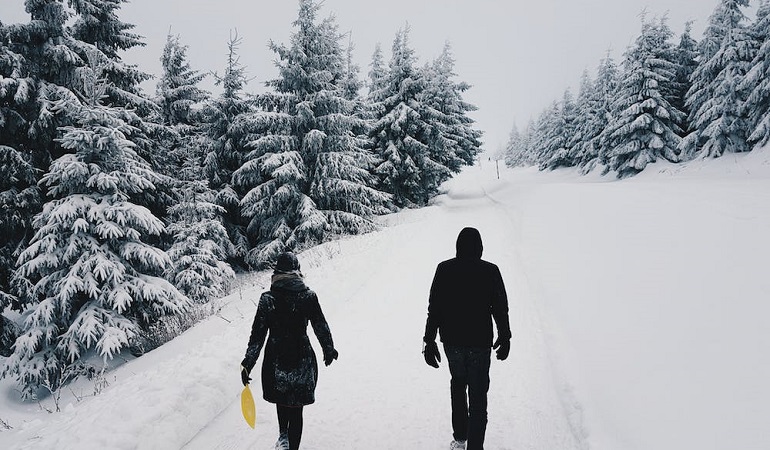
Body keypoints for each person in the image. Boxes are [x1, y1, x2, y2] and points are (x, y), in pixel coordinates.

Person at [423, 227, 511, 450]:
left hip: (452, 343)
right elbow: (500, 308)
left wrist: (429, 340)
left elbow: (434, 308)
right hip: (480, 344)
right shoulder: (490, 271)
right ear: (480, 248)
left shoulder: (444, 269)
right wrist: (505, 335)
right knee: (479, 394)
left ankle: (460, 438)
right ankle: (475, 447)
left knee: (458, 386)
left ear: (458, 247)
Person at [241, 252, 338, 450]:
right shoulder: (308, 296)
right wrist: (328, 349)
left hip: (276, 358)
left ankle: (283, 436)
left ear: (277, 272)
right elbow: (320, 324)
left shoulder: (268, 299)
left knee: (281, 398)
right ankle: (291, 445)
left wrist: (248, 362)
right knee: (296, 408)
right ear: (298, 272)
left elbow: (257, 335)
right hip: (301, 357)